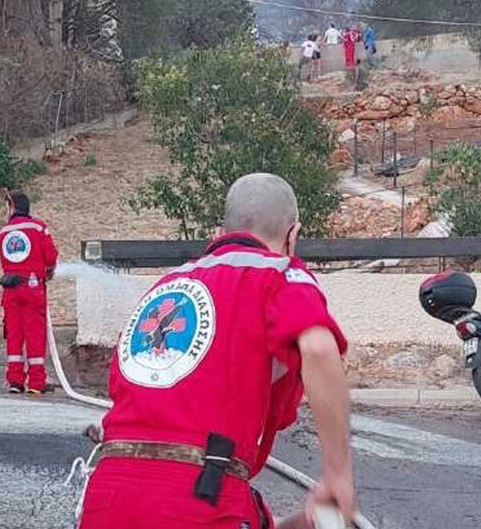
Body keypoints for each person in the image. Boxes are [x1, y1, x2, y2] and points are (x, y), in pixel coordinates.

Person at [78, 173, 355, 529]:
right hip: (200, 496)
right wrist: (338, 475)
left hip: (107, 493)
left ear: (218, 235)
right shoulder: (278, 274)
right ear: (292, 236)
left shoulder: (165, 287)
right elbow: (318, 349)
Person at [0, 190, 58, 394]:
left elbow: (6, 261)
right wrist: (48, 271)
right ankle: (36, 383)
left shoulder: (3, 233)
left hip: (10, 290)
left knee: (14, 335)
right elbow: (50, 256)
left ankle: (15, 381)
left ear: (12, 207)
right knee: (35, 335)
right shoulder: (39, 227)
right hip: (33, 289)